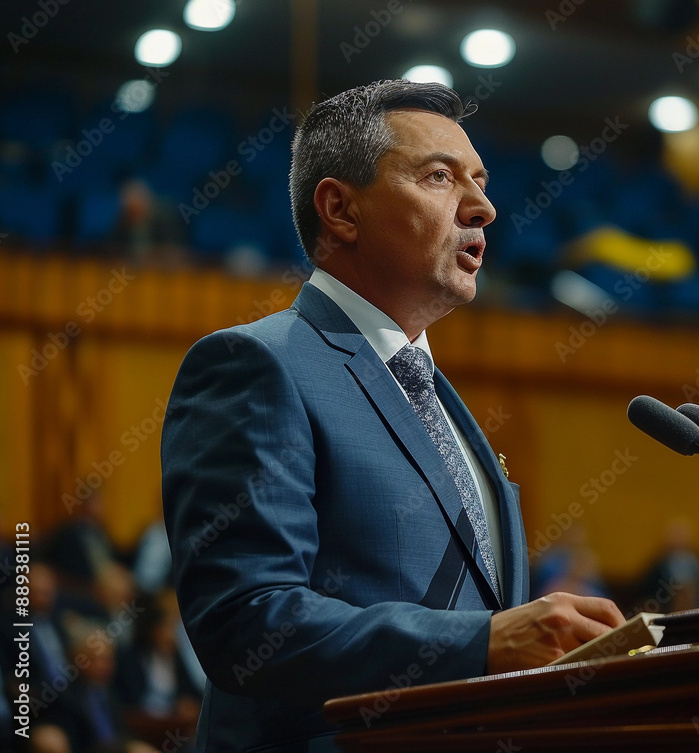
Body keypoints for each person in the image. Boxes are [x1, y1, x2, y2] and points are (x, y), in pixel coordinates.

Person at [161, 79, 625, 753]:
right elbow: (246, 621)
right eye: (440, 177)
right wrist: (483, 642)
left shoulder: (436, 394)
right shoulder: (256, 365)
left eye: (481, 180)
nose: (484, 207)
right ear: (340, 209)